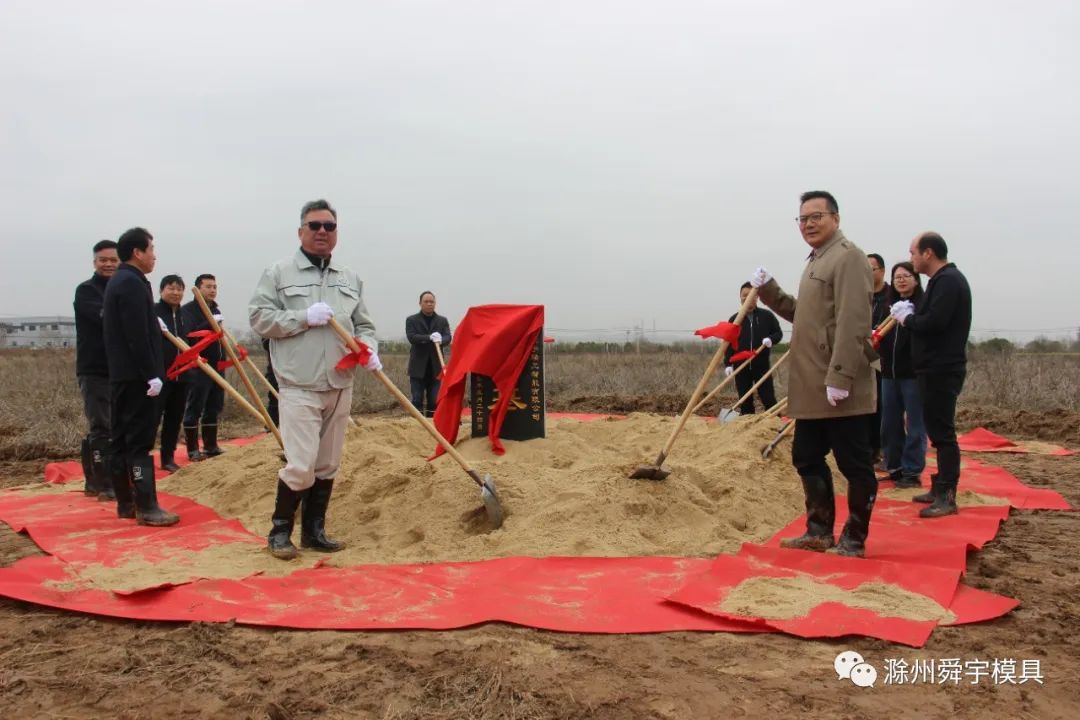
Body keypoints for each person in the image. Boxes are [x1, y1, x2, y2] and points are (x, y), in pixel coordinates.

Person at [250, 199, 380, 559]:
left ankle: (314, 531)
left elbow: (364, 325)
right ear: (300, 231)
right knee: (301, 464)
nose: (322, 231)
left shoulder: (349, 278)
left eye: (329, 226)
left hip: (339, 384)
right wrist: (303, 317)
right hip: (299, 384)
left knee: (327, 464)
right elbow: (259, 318)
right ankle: (279, 531)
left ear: (336, 232)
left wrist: (369, 348)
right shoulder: (278, 273)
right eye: (315, 225)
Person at [749, 190, 878, 557]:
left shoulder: (848, 257)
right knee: (806, 455)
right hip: (811, 384)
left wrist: (841, 376)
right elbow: (804, 315)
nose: (808, 224)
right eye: (803, 219)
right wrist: (769, 290)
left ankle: (854, 538)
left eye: (816, 216)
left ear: (835, 218)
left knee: (854, 462)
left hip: (837, 383)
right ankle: (819, 531)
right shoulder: (817, 260)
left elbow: (854, 321)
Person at [890, 232, 972, 518]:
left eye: (913, 252)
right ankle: (939, 488)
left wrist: (908, 319)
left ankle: (947, 495)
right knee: (937, 432)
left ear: (928, 253)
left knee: (943, 434)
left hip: (942, 369)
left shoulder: (949, 281)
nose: (911, 258)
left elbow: (935, 323)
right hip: (930, 368)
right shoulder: (939, 281)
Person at [102, 227, 178, 526]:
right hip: (137, 378)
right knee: (138, 441)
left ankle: (126, 503)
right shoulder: (131, 283)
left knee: (121, 439)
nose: (154, 256)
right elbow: (136, 335)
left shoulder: (121, 281)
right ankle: (146, 506)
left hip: (124, 375)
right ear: (137, 252)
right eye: (151, 249)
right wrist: (151, 374)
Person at [73, 240, 120, 500]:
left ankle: (95, 479)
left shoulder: (121, 289)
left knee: (116, 424)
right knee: (101, 425)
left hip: (119, 370)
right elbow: (106, 318)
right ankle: (103, 483)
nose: (108, 264)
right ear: (95, 262)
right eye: (103, 260)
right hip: (94, 369)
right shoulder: (86, 291)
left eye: (113, 260)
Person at [878, 262, 926, 489]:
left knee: (915, 424)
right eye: (897, 277)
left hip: (913, 375)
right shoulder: (888, 307)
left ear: (916, 279)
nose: (901, 280)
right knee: (889, 423)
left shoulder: (922, 306)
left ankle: (912, 470)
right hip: (889, 373)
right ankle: (894, 466)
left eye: (906, 276)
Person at [180, 274, 226, 460]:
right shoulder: (188, 311)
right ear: (198, 289)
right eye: (208, 286)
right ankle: (192, 449)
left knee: (214, 405)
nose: (212, 290)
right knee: (195, 406)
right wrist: (210, 322)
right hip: (199, 365)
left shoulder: (215, 309)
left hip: (217, 365)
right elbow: (189, 335)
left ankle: (211, 445)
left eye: (215, 287)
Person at [723, 282, 783, 414]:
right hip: (741, 367)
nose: (747, 298)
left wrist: (770, 339)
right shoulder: (734, 319)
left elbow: (778, 333)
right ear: (740, 297)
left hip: (761, 366)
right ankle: (748, 423)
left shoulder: (767, 316)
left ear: (756, 297)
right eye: (744, 295)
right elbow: (729, 344)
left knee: (768, 398)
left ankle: (775, 422)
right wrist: (728, 364)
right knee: (745, 401)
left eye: (751, 295)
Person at [154, 274, 188, 472]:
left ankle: (168, 457)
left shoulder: (185, 315)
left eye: (179, 289)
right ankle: (141, 458)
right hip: (160, 376)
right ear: (161, 291)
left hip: (182, 377)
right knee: (152, 417)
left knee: (174, 419)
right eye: (171, 288)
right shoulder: (153, 312)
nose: (175, 293)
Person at [406, 291, 453, 417]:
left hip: (436, 368)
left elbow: (448, 337)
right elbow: (412, 337)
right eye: (426, 301)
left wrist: (441, 339)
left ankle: (432, 424)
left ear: (435, 303)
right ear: (420, 303)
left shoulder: (442, 320)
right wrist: (429, 337)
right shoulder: (412, 320)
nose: (429, 304)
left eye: (431, 301)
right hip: (418, 368)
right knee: (417, 399)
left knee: (434, 400)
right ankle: (417, 424)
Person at [867, 253, 890, 469]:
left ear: (882, 271)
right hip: (863, 356)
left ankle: (882, 448)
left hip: (885, 359)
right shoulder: (860, 295)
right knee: (867, 403)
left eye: (871, 268)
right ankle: (868, 448)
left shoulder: (891, 297)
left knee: (882, 404)